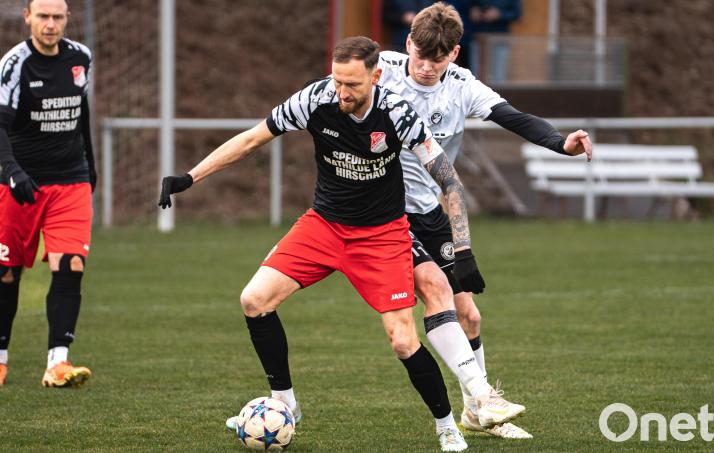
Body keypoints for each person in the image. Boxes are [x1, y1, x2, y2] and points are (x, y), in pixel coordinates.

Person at [159, 36, 523, 452]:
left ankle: (447, 426)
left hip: (382, 235)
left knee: (403, 340)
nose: (342, 92)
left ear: (376, 76)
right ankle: (286, 405)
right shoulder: (315, 99)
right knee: (254, 299)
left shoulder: (398, 113)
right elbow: (251, 139)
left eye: (352, 84)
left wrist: (463, 249)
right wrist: (190, 177)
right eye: (337, 81)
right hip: (325, 226)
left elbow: (449, 180)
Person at [376, 2, 593, 439]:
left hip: (429, 211)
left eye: (435, 60)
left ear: (454, 54)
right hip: (382, 214)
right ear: (408, 44)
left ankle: (478, 412)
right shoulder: (382, 68)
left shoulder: (460, 86)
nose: (423, 67)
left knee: (470, 316)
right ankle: (479, 400)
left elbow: (515, 118)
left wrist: (560, 142)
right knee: (434, 293)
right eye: (419, 56)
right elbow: (330, 88)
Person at [0, 0, 96, 388]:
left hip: (71, 181)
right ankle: (1, 357)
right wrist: (13, 172)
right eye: (43, 16)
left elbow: (82, 111)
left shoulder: (80, 57)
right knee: (7, 273)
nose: (50, 24)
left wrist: (91, 166)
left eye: (58, 17)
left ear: (67, 19)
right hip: (20, 183)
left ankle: (58, 362)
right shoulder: (13, 65)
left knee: (71, 265)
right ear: (28, 18)